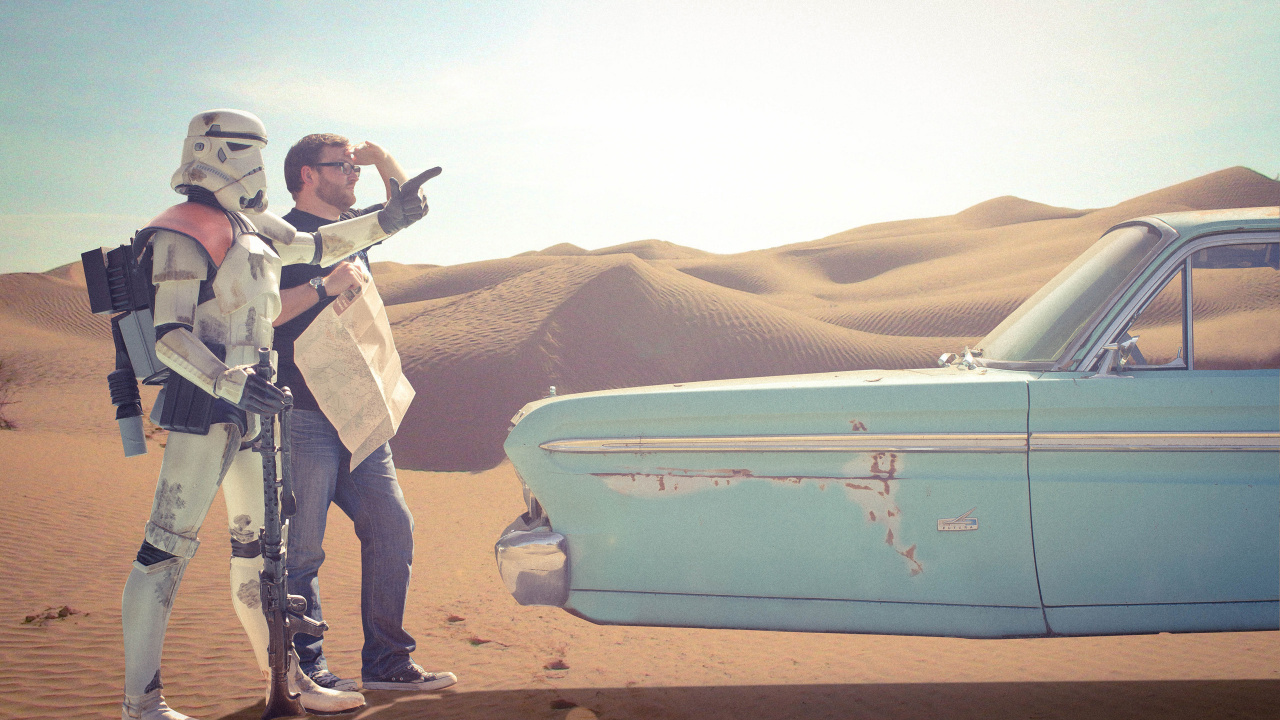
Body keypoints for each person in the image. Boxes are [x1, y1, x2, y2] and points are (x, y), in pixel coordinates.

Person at [120, 109, 430, 720]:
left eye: (259, 150)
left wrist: (391, 217)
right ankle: (142, 701)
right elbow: (170, 335)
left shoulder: (256, 226)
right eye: (243, 150)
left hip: (260, 405)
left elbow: (324, 244)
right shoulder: (180, 230)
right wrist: (225, 380)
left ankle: (289, 681)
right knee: (167, 548)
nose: (254, 164)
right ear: (210, 151)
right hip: (205, 404)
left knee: (263, 556)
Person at [273, 133, 456, 692]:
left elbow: (409, 208)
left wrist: (381, 160)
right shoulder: (278, 237)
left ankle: (387, 664)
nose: (352, 176)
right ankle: (307, 670)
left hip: (359, 414)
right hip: (302, 414)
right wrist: (324, 286)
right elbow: (261, 313)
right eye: (342, 167)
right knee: (303, 551)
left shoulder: (355, 230)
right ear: (307, 175)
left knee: (392, 528)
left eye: (354, 168)